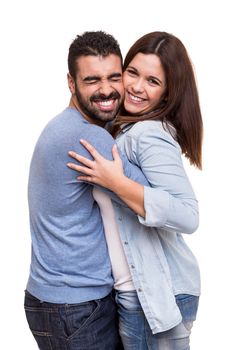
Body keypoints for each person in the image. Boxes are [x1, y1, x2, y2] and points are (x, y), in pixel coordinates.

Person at [67, 31, 203, 350]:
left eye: (153, 81)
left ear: (168, 93)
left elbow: (188, 215)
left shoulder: (146, 135)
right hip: (139, 293)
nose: (137, 87)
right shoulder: (123, 128)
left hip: (157, 295)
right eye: (132, 72)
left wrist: (117, 183)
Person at [24, 31, 149, 350]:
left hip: (60, 302)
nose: (106, 89)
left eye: (114, 77)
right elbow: (153, 198)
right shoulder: (86, 138)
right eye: (92, 79)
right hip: (75, 308)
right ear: (71, 82)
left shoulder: (66, 125)